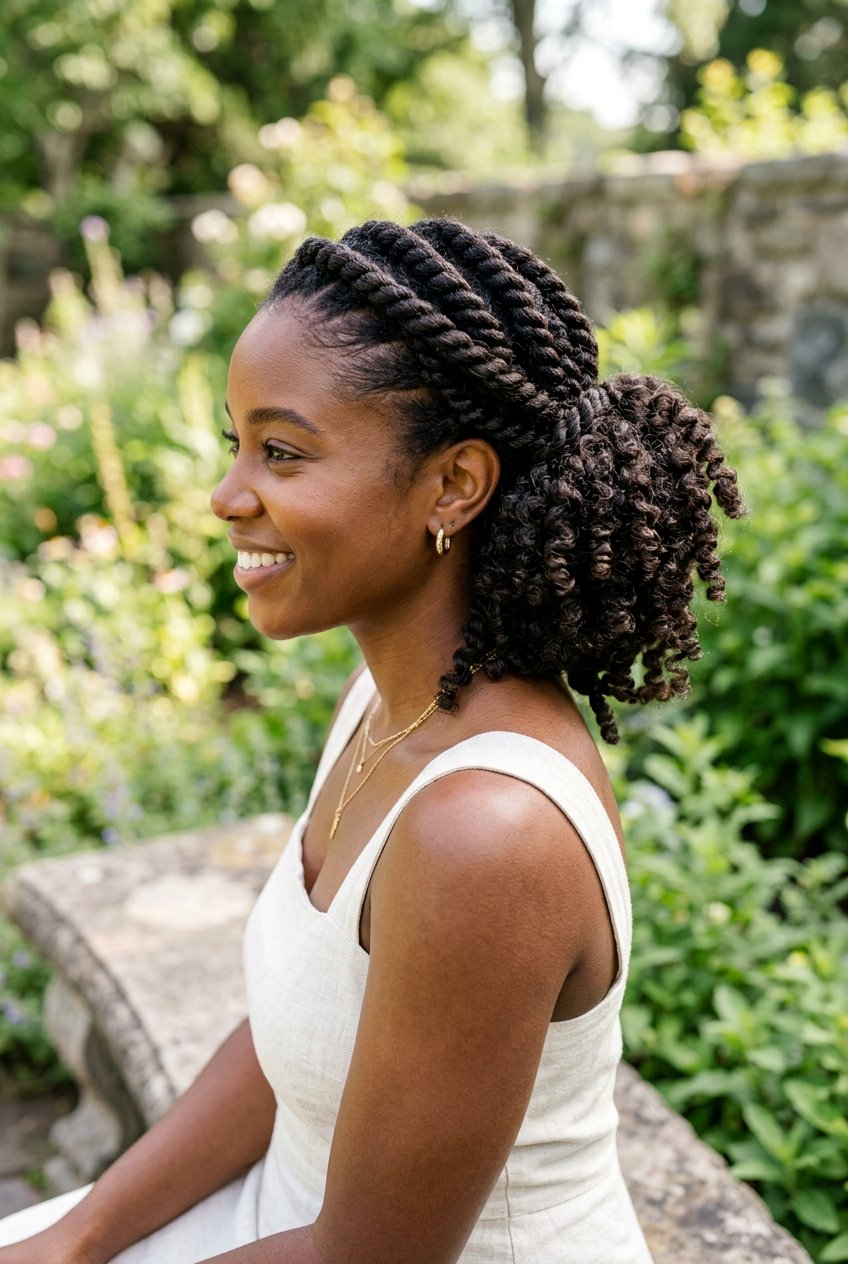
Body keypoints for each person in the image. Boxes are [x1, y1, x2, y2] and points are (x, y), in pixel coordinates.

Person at [0, 217, 743, 1264]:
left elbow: (365, 1256)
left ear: (452, 486)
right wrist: (74, 1236)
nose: (226, 497)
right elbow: (291, 1039)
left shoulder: (484, 832)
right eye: (236, 443)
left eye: (283, 452)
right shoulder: (389, 700)